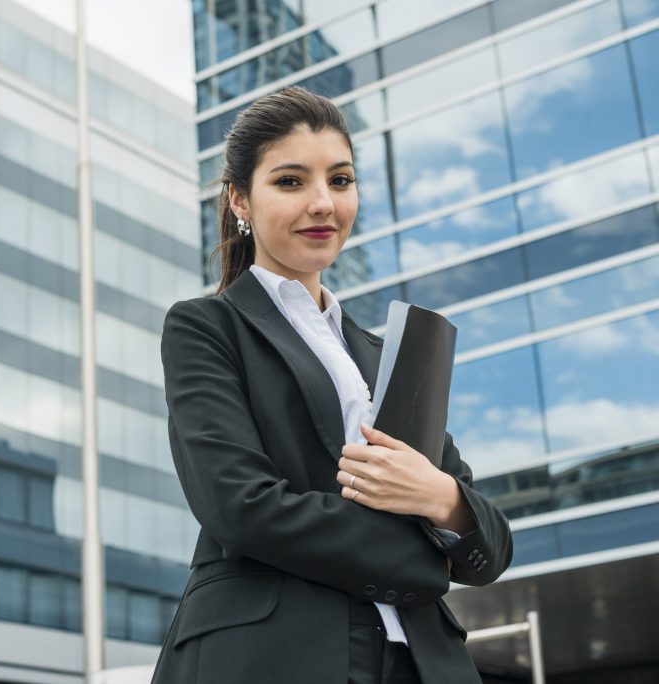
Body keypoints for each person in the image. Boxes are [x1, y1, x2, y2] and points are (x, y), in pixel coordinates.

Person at [151, 87, 513, 684]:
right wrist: (422, 563)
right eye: (291, 181)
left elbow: (491, 547)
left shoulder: (386, 355)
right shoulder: (207, 327)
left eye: (340, 180)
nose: (323, 203)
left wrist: (441, 497)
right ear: (240, 198)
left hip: (423, 663)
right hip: (278, 654)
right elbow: (239, 506)